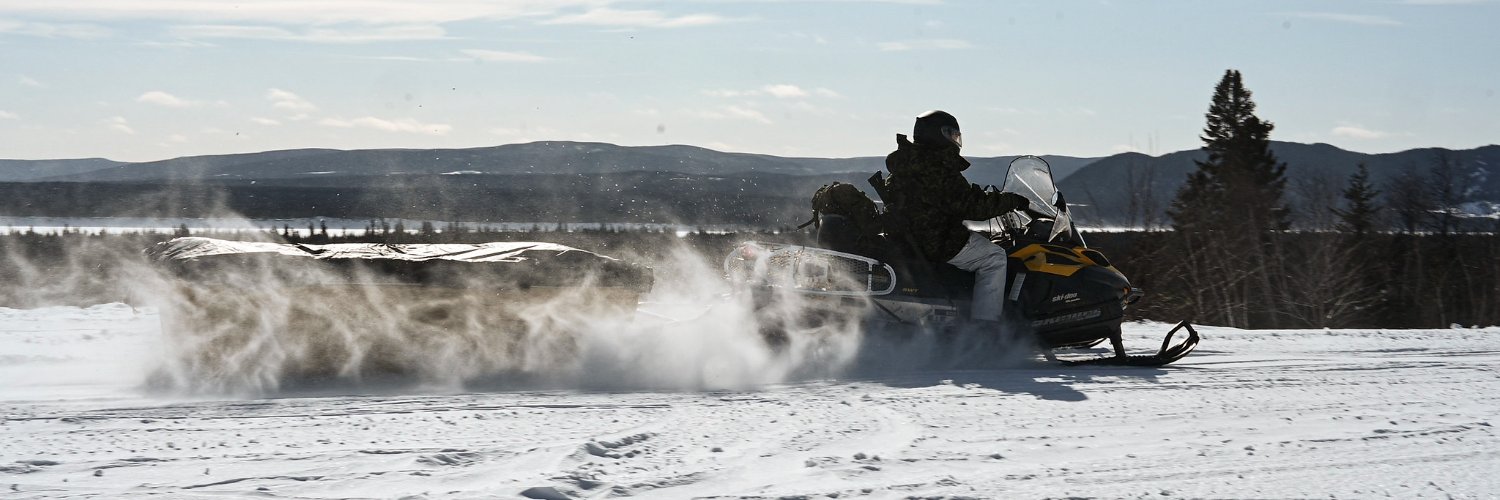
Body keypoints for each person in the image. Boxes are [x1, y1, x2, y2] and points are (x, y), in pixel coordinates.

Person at [877, 110, 1030, 324]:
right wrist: (1011, 201)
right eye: (952, 134)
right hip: (937, 240)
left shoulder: (908, 164)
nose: (956, 140)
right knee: (994, 257)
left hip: (911, 238)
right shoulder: (936, 167)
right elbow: (972, 207)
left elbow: (950, 197)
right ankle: (987, 327)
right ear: (939, 134)